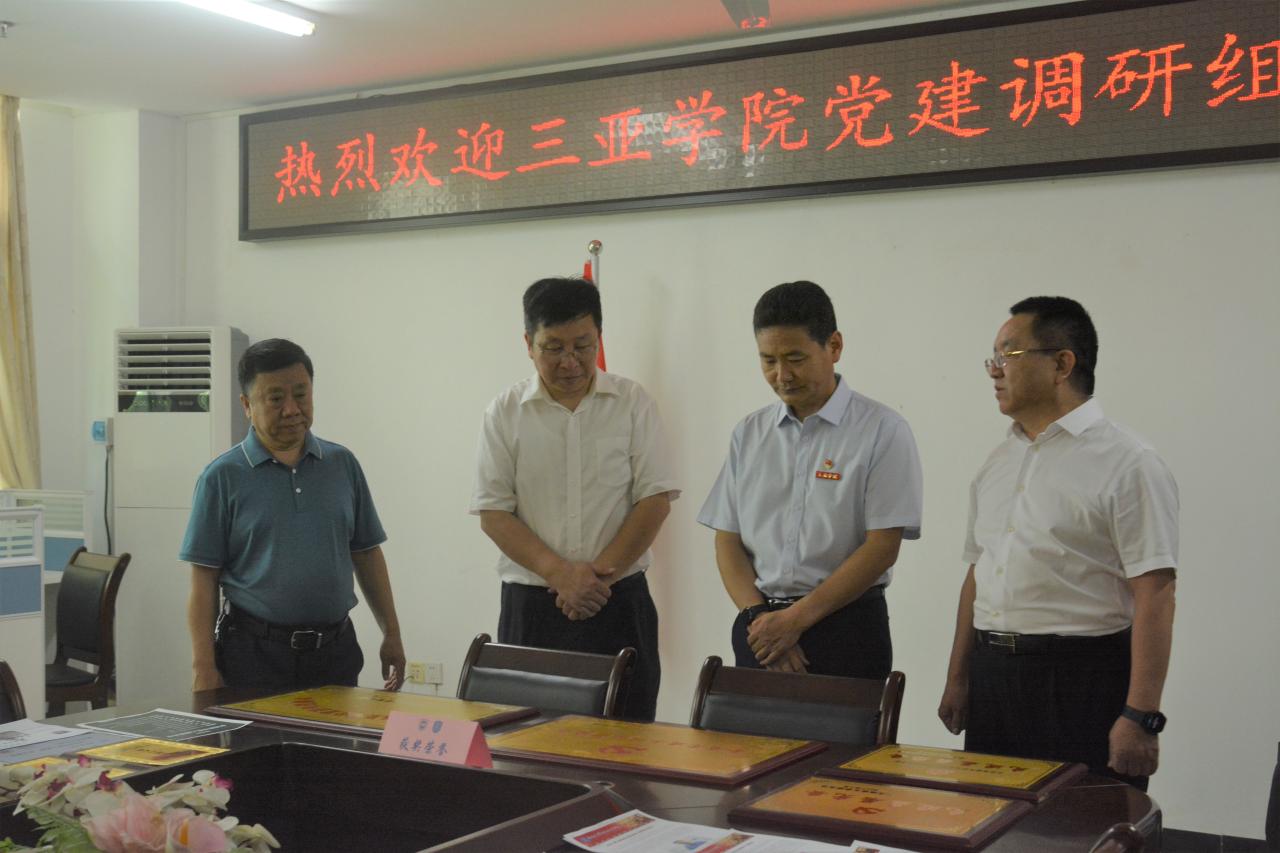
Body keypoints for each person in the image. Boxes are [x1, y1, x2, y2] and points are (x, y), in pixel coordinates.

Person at [937, 296, 1177, 790]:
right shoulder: (998, 461)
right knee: (992, 820)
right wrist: (958, 677)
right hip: (993, 676)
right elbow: (978, 573)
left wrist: (1141, 715)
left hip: (1081, 681)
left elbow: (1156, 592)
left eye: (1007, 355)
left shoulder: (1129, 463)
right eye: (992, 358)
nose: (994, 370)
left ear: (1062, 364)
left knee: (1082, 823)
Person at [471, 277, 678, 721]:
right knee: (529, 739)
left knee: (628, 738)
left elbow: (655, 500)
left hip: (619, 602)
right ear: (529, 344)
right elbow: (493, 512)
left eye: (583, 346)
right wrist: (560, 574)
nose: (570, 362)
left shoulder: (633, 403)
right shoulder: (504, 412)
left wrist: (594, 580)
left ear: (599, 337)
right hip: (533, 606)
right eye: (553, 348)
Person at [698, 281, 922, 678]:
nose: (782, 375)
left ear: (834, 346)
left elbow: (882, 547)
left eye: (795, 358)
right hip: (760, 627)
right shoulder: (749, 433)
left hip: (846, 627)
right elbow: (727, 539)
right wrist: (759, 619)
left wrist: (796, 621)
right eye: (768, 360)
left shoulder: (882, 430)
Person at [181, 338, 405, 693]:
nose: (291, 410)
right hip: (254, 655)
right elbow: (203, 579)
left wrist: (391, 632)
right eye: (275, 399)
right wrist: (203, 667)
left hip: (334, 652)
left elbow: (366, 553)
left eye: (301, 395)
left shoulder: (342, 465)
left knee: (334, 733)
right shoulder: (221, 478)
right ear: (247, 405)